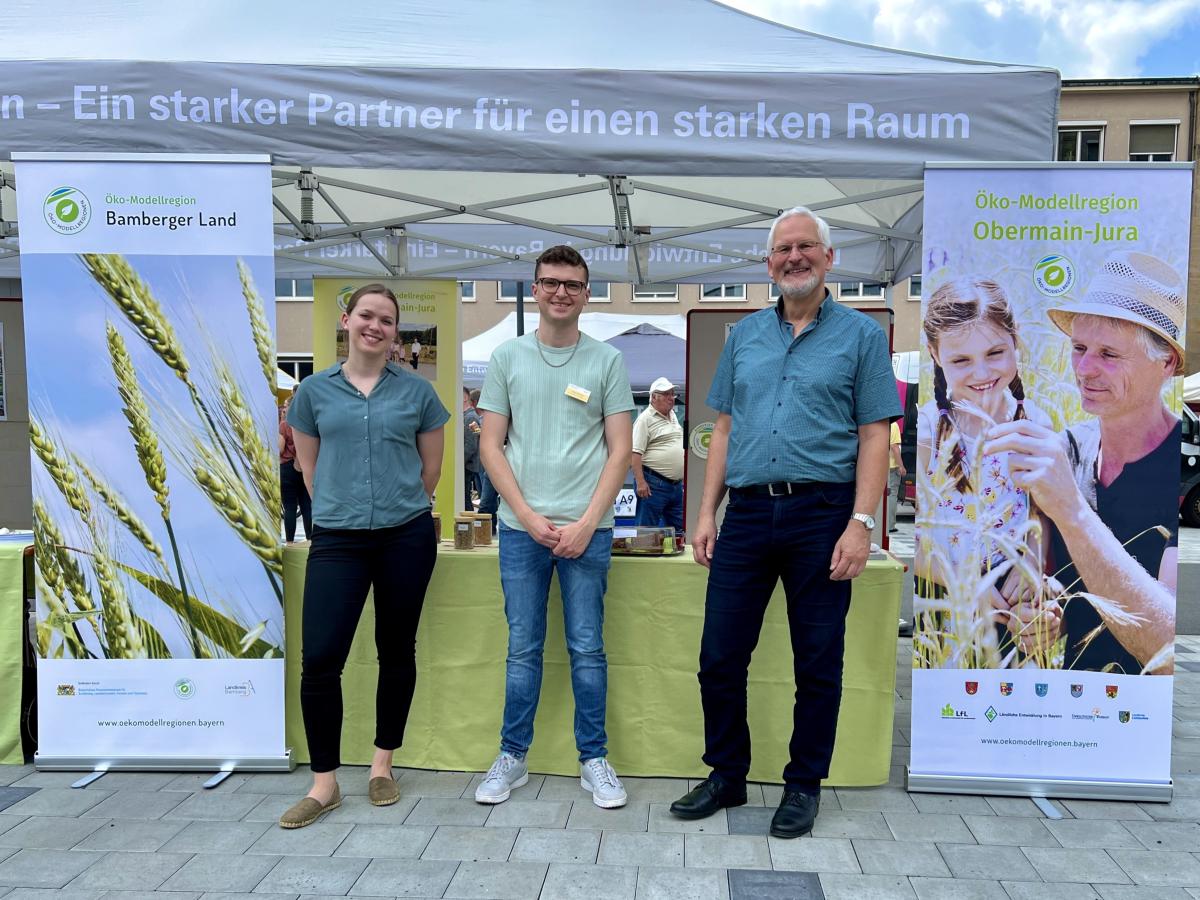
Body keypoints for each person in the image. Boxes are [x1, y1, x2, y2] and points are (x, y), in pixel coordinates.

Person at [669, 207, 899, 838]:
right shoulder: (744, 336)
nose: (793, 258)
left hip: (822, 515)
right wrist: (704, 512)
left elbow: (875, 433)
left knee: (817, 661)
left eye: (805, 247)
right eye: (781, 250)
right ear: (768, 264)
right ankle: (727, 774)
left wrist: (861, 521)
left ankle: (803, 784)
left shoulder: (859, 336)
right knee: (719, 655)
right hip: (744, 514)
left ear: (828, 259)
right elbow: (723, 428)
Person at [280, 284, 449, 829]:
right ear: (346, 320)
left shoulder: (419, 394)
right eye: (367, 316)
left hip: (406, 535)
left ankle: (382, 764)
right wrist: (345, 504)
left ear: (396, 332)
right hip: (338, 540)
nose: (375, 326)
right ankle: (324, 783)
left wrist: (400, 508)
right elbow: (309, 469)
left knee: (396, 648)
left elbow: (432, 472)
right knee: (321, 657)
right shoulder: (312, 393)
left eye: (387, 320)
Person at [475, 244, 634, 808]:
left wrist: (589, 523)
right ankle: (512, 756)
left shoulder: (607, 362)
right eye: (550, 282)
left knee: (588, 647)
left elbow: (620, 451)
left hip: (587, 531)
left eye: (572, 283)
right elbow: (491, 446)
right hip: (522, 531)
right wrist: (525, 513)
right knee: (523, 648)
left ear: (586, 293)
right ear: (535, 289)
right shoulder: (507, 359)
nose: (560, 291)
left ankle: (594, 758)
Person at [984, 250, 1181, 674]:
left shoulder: (1182, 467)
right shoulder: (1068, 448)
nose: (1084, 370)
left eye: (1109, 354)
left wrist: (1071, 509)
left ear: (1166, 362)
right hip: (1069, 712)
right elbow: (1048, 582)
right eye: (1078, 348)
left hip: (1137, 719)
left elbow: (1168, 651)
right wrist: (1037, 614)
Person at [914, 278, 1052, 664]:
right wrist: (967, 586)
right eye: (961, 360)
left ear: (1015, 340)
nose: (981, 372)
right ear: (935, 354)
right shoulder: (929, 428)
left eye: (995, 353)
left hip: (1013, 599)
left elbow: (1042, 519)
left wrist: (1029, 564)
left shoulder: (1036, 424)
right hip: (947, 597)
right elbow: (922, 541)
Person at [632, 376, 685, 534]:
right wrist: (640, 482)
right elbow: (635, 454)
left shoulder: (672, 416)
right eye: (667, 394)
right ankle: (643, 556)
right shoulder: (644, 420)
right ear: (654, 397)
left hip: (675, 485)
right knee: (646, 530)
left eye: (672, 394)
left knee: (680, 529)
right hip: (653, 483)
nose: (671, 398)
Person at [278, 393, 312, 542]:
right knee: (307, 507)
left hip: (287, 469)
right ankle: (311, 541)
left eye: (286, 406)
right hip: (305, 467)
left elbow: (279, 448)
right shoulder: (308, 424)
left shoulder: (284, 425)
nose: (284, 409)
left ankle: (290, 542)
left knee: (290, 508)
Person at [472, 387, 500, 527]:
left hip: (496, 466)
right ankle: (487, 532)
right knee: (488, 501)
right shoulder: (488, 418)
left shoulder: (491, 418)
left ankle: (481, 533)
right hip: (489, 465)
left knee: (486, 503)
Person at [463, 386, 482, 510]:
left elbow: (471, 445)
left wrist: (460, 463)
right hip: (468, 464)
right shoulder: (468, 416)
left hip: (468, 465)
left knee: (465, 498)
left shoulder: (470, 418)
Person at [886, 419, 904, 533]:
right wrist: (901, 465)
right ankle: (890, 525)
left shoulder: (881, 423)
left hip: (880, 465)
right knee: (892, 495)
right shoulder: (894, 425)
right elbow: (894, 447)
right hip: (892, 467)